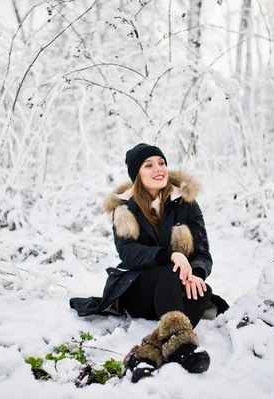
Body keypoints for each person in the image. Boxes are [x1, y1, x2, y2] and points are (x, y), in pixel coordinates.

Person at [70, 143, 229, 382]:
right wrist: (171, 256)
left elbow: (202, 253)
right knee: (169, 271)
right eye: (149, 165)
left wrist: (194, 272)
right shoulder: (124, 207)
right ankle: (182, 349)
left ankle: (145, 355)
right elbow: (129, 252)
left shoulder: (185, 204)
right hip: (136, 289)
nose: (159, 169)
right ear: (138, 175)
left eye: (162, 163)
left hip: (173, 289)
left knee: (201, 290)